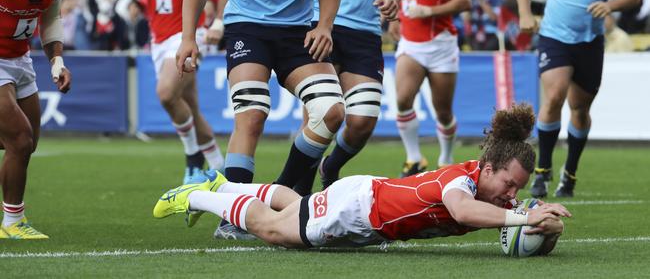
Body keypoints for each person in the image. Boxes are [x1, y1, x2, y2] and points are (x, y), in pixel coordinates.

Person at [153, 103, 571, 252]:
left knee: (290, 208)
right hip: (355, 210)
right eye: (509, 184)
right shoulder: (458, 184)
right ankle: (191, 196)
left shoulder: (492, 195)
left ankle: (220, 185)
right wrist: (523, 218)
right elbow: (462, 209)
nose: (513, 194)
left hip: (364, 206)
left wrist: (544, 223)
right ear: (486, 169)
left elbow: (521, 223)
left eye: (518, 188)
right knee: (274, 229)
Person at [176, 0, 343, 239]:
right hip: (247, 30)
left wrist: (324, 25)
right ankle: (233, 216)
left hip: (298, 32)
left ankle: (279, 192)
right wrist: (187, 38)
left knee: (331, 111)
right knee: (251, 114)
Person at [279, 0, 411, 195]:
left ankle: (331, 167)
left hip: (364, 32)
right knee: (320, 116)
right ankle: (298, 200)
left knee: (362, 121)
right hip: (317, 22)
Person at [90, 0, 225, 184]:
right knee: (191, 108)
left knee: (165, 94)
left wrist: (218, 23)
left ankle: (192, 162)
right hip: (159, 43)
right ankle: (223, 171)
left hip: (189, 37)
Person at [516, 0, 640, 198]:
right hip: (554, 37)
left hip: (590, 42)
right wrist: (524, 13)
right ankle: (542, 172)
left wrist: (611, 5)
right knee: (555, 95)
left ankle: (569, 174)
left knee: (580, 109)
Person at [0, 0, 72, 239]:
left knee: (28, 144)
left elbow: (51, 17)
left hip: (21, 60)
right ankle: (13, 221)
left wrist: (57, 60)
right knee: (19, 139)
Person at [388, 0, 471, 176]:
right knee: (402, 100)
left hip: (441, 46)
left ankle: (446, 158)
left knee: (443, 111)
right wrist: (393, 18)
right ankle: (414, 159)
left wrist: (429, 10)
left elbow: (464, 1)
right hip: (410, 45)